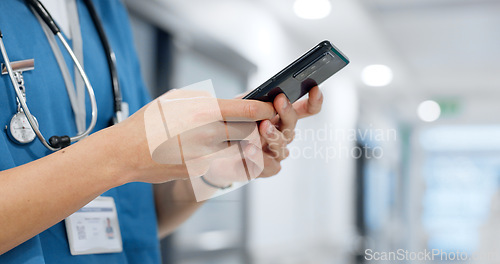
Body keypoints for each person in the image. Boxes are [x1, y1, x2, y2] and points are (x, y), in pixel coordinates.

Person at [0, 0, 324, 263]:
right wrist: (121, 154)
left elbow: (140, 218)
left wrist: (212, 172)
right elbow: (121, 158)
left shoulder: (105, 12)